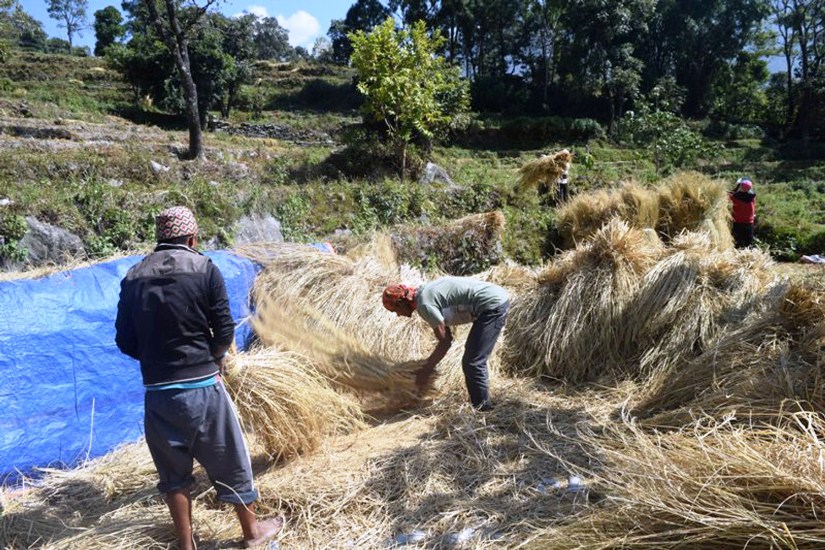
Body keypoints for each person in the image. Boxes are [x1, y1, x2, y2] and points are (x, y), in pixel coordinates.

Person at [115, 206, 283, 550]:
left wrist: (156, 362)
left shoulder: (133, 276)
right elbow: (223, 329)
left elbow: (124, 340)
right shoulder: (205, 268)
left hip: (158, 394)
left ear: (160, 237)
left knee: (173, 476)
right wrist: (216, 357)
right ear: (192, 238)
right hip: (202, 388)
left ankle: (186, 544)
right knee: (232, 460)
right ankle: (252, 533)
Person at [382, 277, 510, 411]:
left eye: (395, 310)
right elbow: (447, 337)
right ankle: (480, 404)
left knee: (473, 362)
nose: (397, 314)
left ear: (401, 302)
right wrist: (427, 367)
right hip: (492, 300)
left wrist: (425, 371)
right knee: (472, 358)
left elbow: (445, 342)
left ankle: (483, 410)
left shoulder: (424, 304)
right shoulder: (424, 294)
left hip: (492, 305)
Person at [729, 177, 756, 248]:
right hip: (749, 222)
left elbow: (730, 196)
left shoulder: (734, 197)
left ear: (740, 187)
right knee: (748, 242)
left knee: (736, 241)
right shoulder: (752, 196)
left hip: (737, 222)